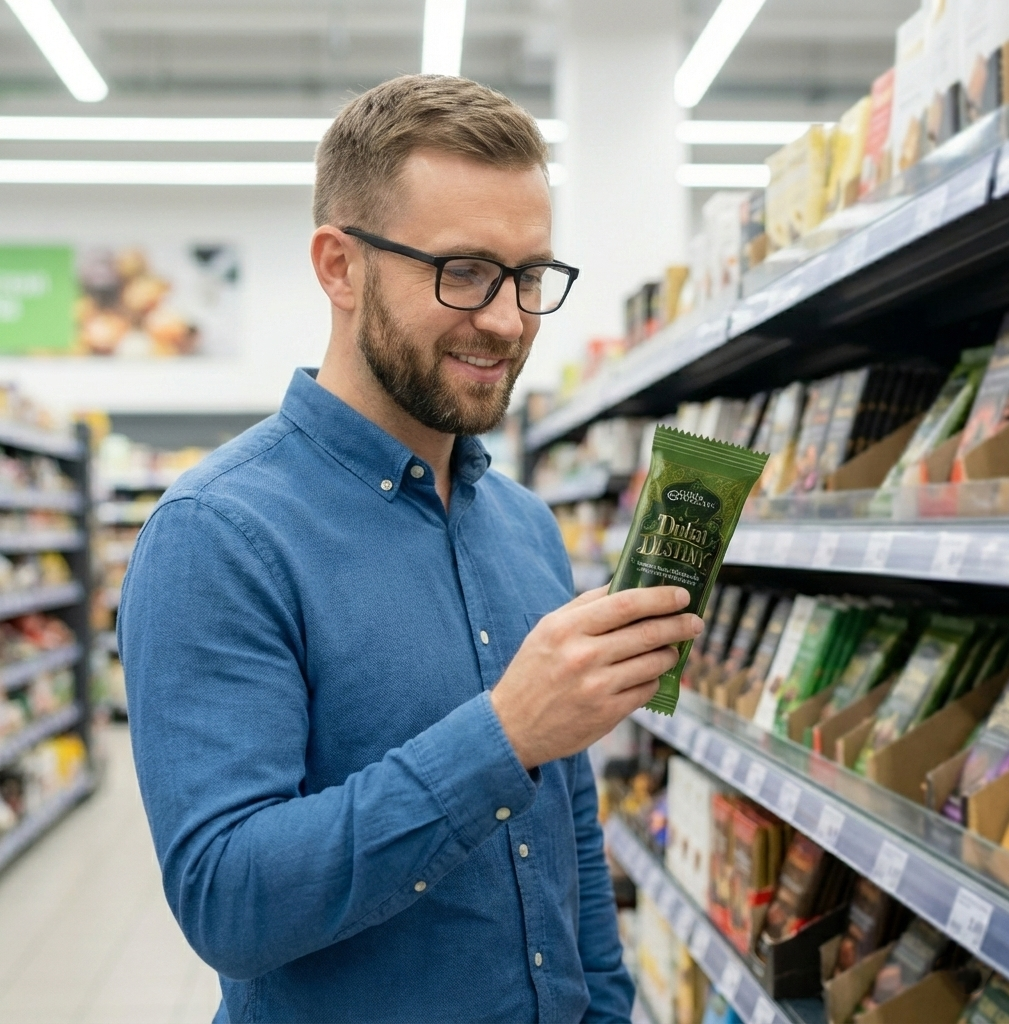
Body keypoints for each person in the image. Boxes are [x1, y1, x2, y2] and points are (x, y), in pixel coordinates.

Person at [120, 74, 703, 1024]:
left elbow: (568, 825)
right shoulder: (216, 537)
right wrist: (504, 733)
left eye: (529, 276)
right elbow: (228, 898)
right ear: (339, 267)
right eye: (464, 272)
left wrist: (604, 1006)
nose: (510, 321)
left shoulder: (526, 527)